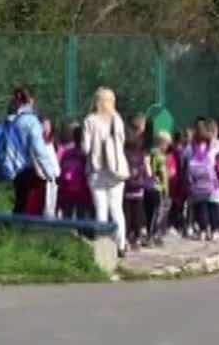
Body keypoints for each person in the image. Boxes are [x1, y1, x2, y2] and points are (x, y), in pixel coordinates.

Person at [82, 87, 130, 257]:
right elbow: (122, 143)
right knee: (117, 209)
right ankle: (121, 244)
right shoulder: (117, 119)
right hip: (116, 170)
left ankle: (102, 248)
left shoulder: (90, 120)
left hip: (96, 170)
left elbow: (85, 148)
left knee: (101, 209)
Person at [7, 88, 56, 216]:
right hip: (30, 168)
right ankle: (25, 230)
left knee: (20, 200)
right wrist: (50, 173)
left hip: (15, 166)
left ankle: (12, 231)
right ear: (30, 101)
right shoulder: (31, 121)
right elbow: (39, 150)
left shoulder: (11, 119)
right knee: (32, 202)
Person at [185, 125, 219, 241]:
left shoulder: (190, 149)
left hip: (197, 184)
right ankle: (215, 231)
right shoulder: (211, 149)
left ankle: (203, 231)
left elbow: (184, 159)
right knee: (214, 207)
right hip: (211, 185)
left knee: (201, 207)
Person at [56, 123, 92, 220]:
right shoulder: (87, 155)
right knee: (82, 213)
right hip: (83, 190)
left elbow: (61, 170)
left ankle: (66, 232)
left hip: (67, 189)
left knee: (67, 213)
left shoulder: (66, 153)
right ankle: (82, 232)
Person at [122, 133, 149, 249]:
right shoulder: (141, 155)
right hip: (139, 190)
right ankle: (137, 239)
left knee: (127, 215)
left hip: (127, 189)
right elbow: (147, 172)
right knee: (137, 214)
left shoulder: (124, 155)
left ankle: (126, 237)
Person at [146, 131, 172, 246]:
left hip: (162, 187)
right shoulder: (156, 154)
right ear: (162, 142)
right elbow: (152, 170)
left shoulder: (161, 155)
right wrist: (155, 178)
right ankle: (151, 236)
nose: (167, 147)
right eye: (166, 144)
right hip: (156, 188)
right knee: (155, 213)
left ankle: (157, 235)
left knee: (160, 213)